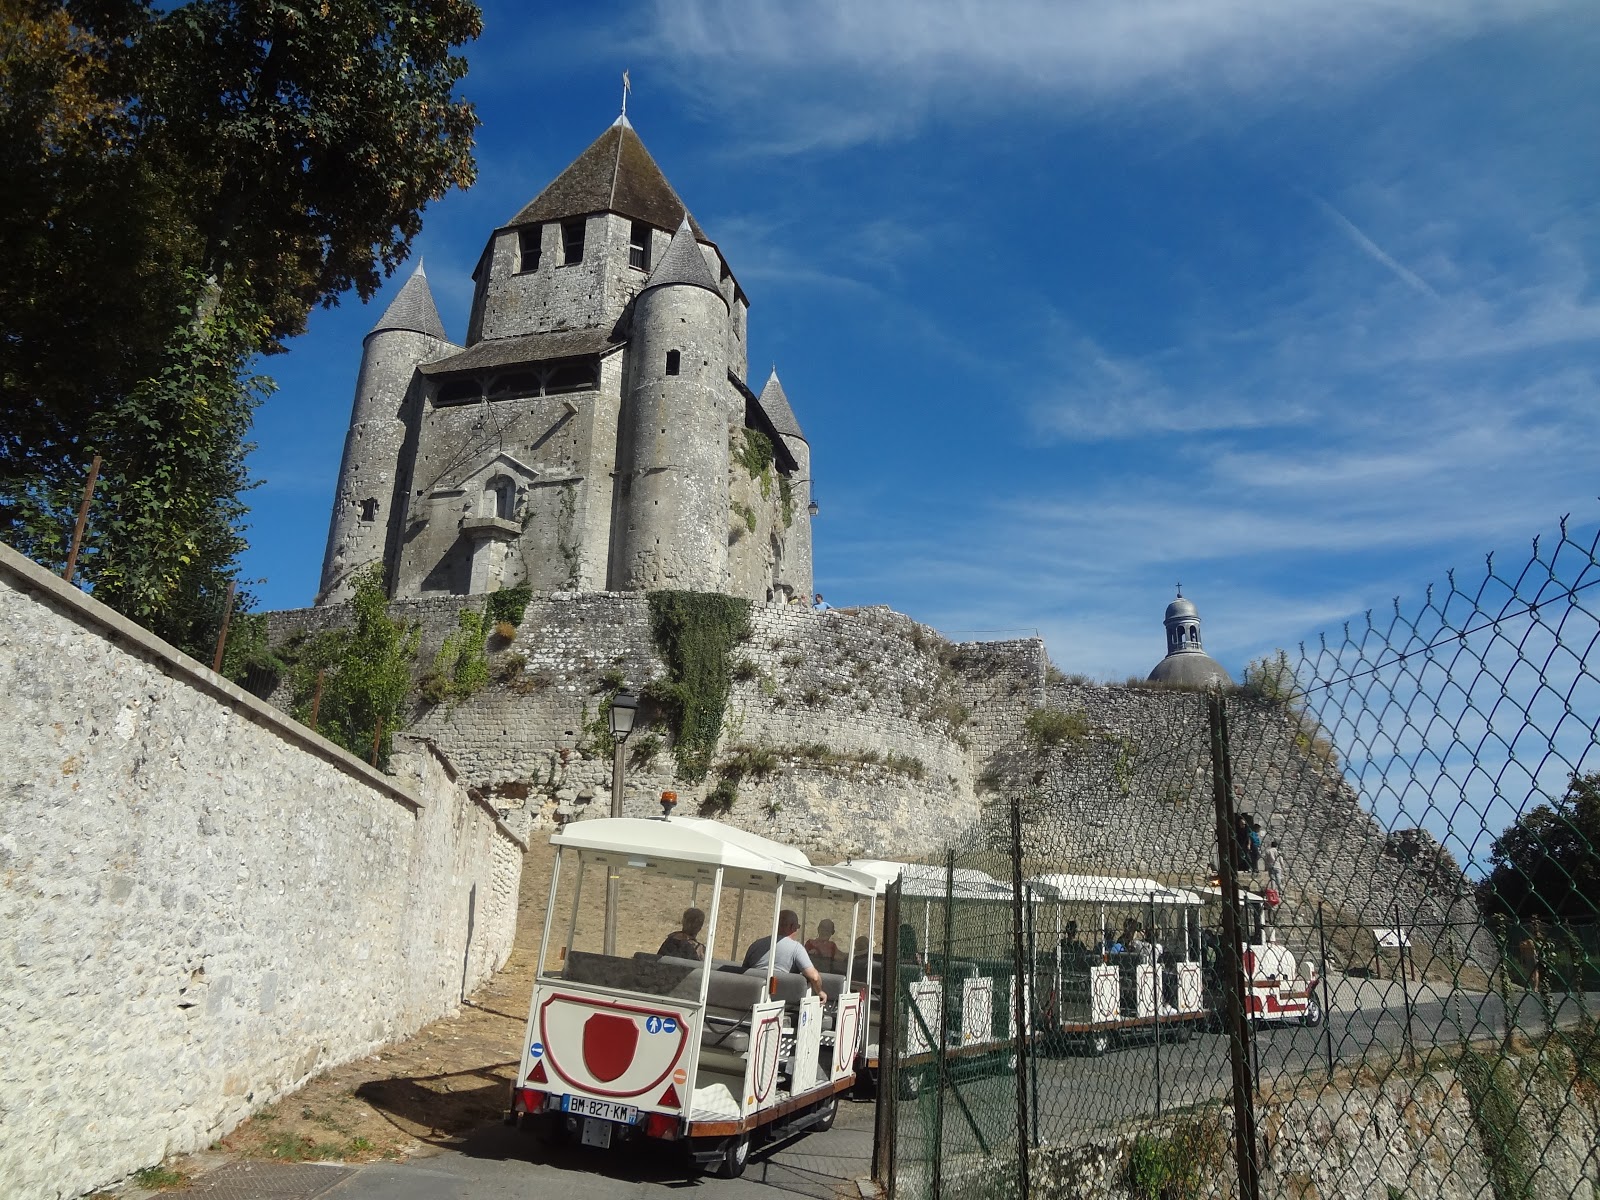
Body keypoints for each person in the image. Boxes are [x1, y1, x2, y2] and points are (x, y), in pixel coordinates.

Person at [743, 909, 828, 1000]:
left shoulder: (756, 944)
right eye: (797, 927)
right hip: (781, 1001)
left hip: (750, 998)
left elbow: (744, 971)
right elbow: (814, 977)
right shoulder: (796, 948)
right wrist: (820, 992)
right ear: (792, 927)